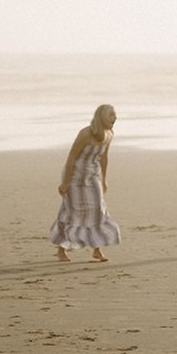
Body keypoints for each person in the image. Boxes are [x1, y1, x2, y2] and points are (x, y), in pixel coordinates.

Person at [51, 104, 121, 263]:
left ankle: (97, 249)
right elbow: (71, 158)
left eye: (115, 115)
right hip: (75, 176)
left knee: (98, 210)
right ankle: (62, 249)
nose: (115, 118)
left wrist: (104, 180)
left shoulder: (110, 134)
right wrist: (65, 182)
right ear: (102, 116)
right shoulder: (85, 134)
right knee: (72, 212)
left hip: (92, 176)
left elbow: (104, 157)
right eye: (111, 115)